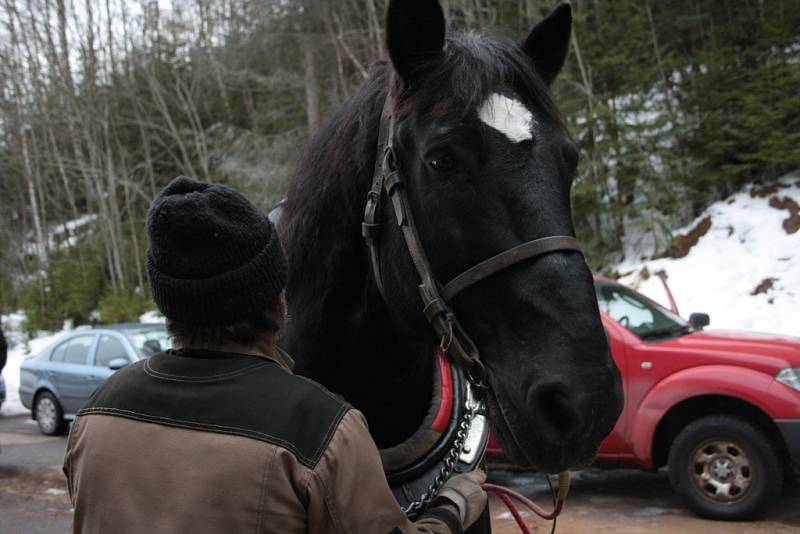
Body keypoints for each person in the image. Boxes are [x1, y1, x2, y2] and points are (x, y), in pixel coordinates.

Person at [62, 176, 487, 533]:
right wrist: (452, 508)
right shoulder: (319, 429)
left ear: (168, 303)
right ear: (277, 299)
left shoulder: (95, 416)